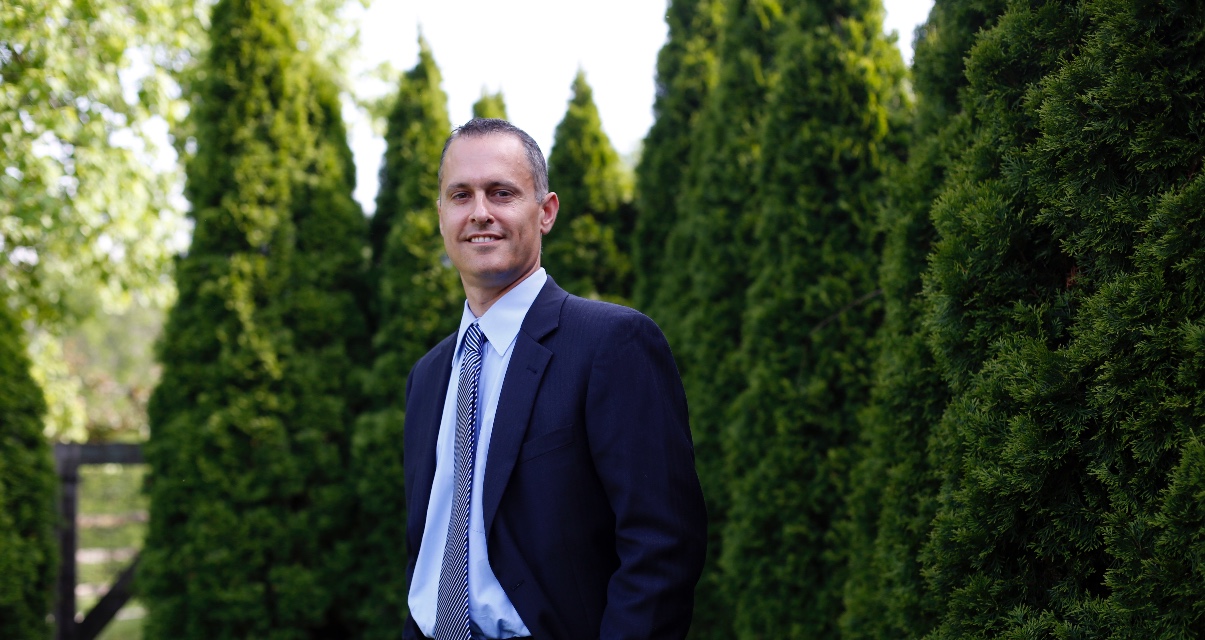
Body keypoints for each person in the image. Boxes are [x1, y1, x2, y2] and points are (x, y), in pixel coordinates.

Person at [402, 118, 707, 640]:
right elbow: (427, 552)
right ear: (441, 215)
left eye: (501, 193)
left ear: (545, 212)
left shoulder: (613, 344)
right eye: (461, 195)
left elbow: (662, 548)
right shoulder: (429, 376)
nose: (480, 212)